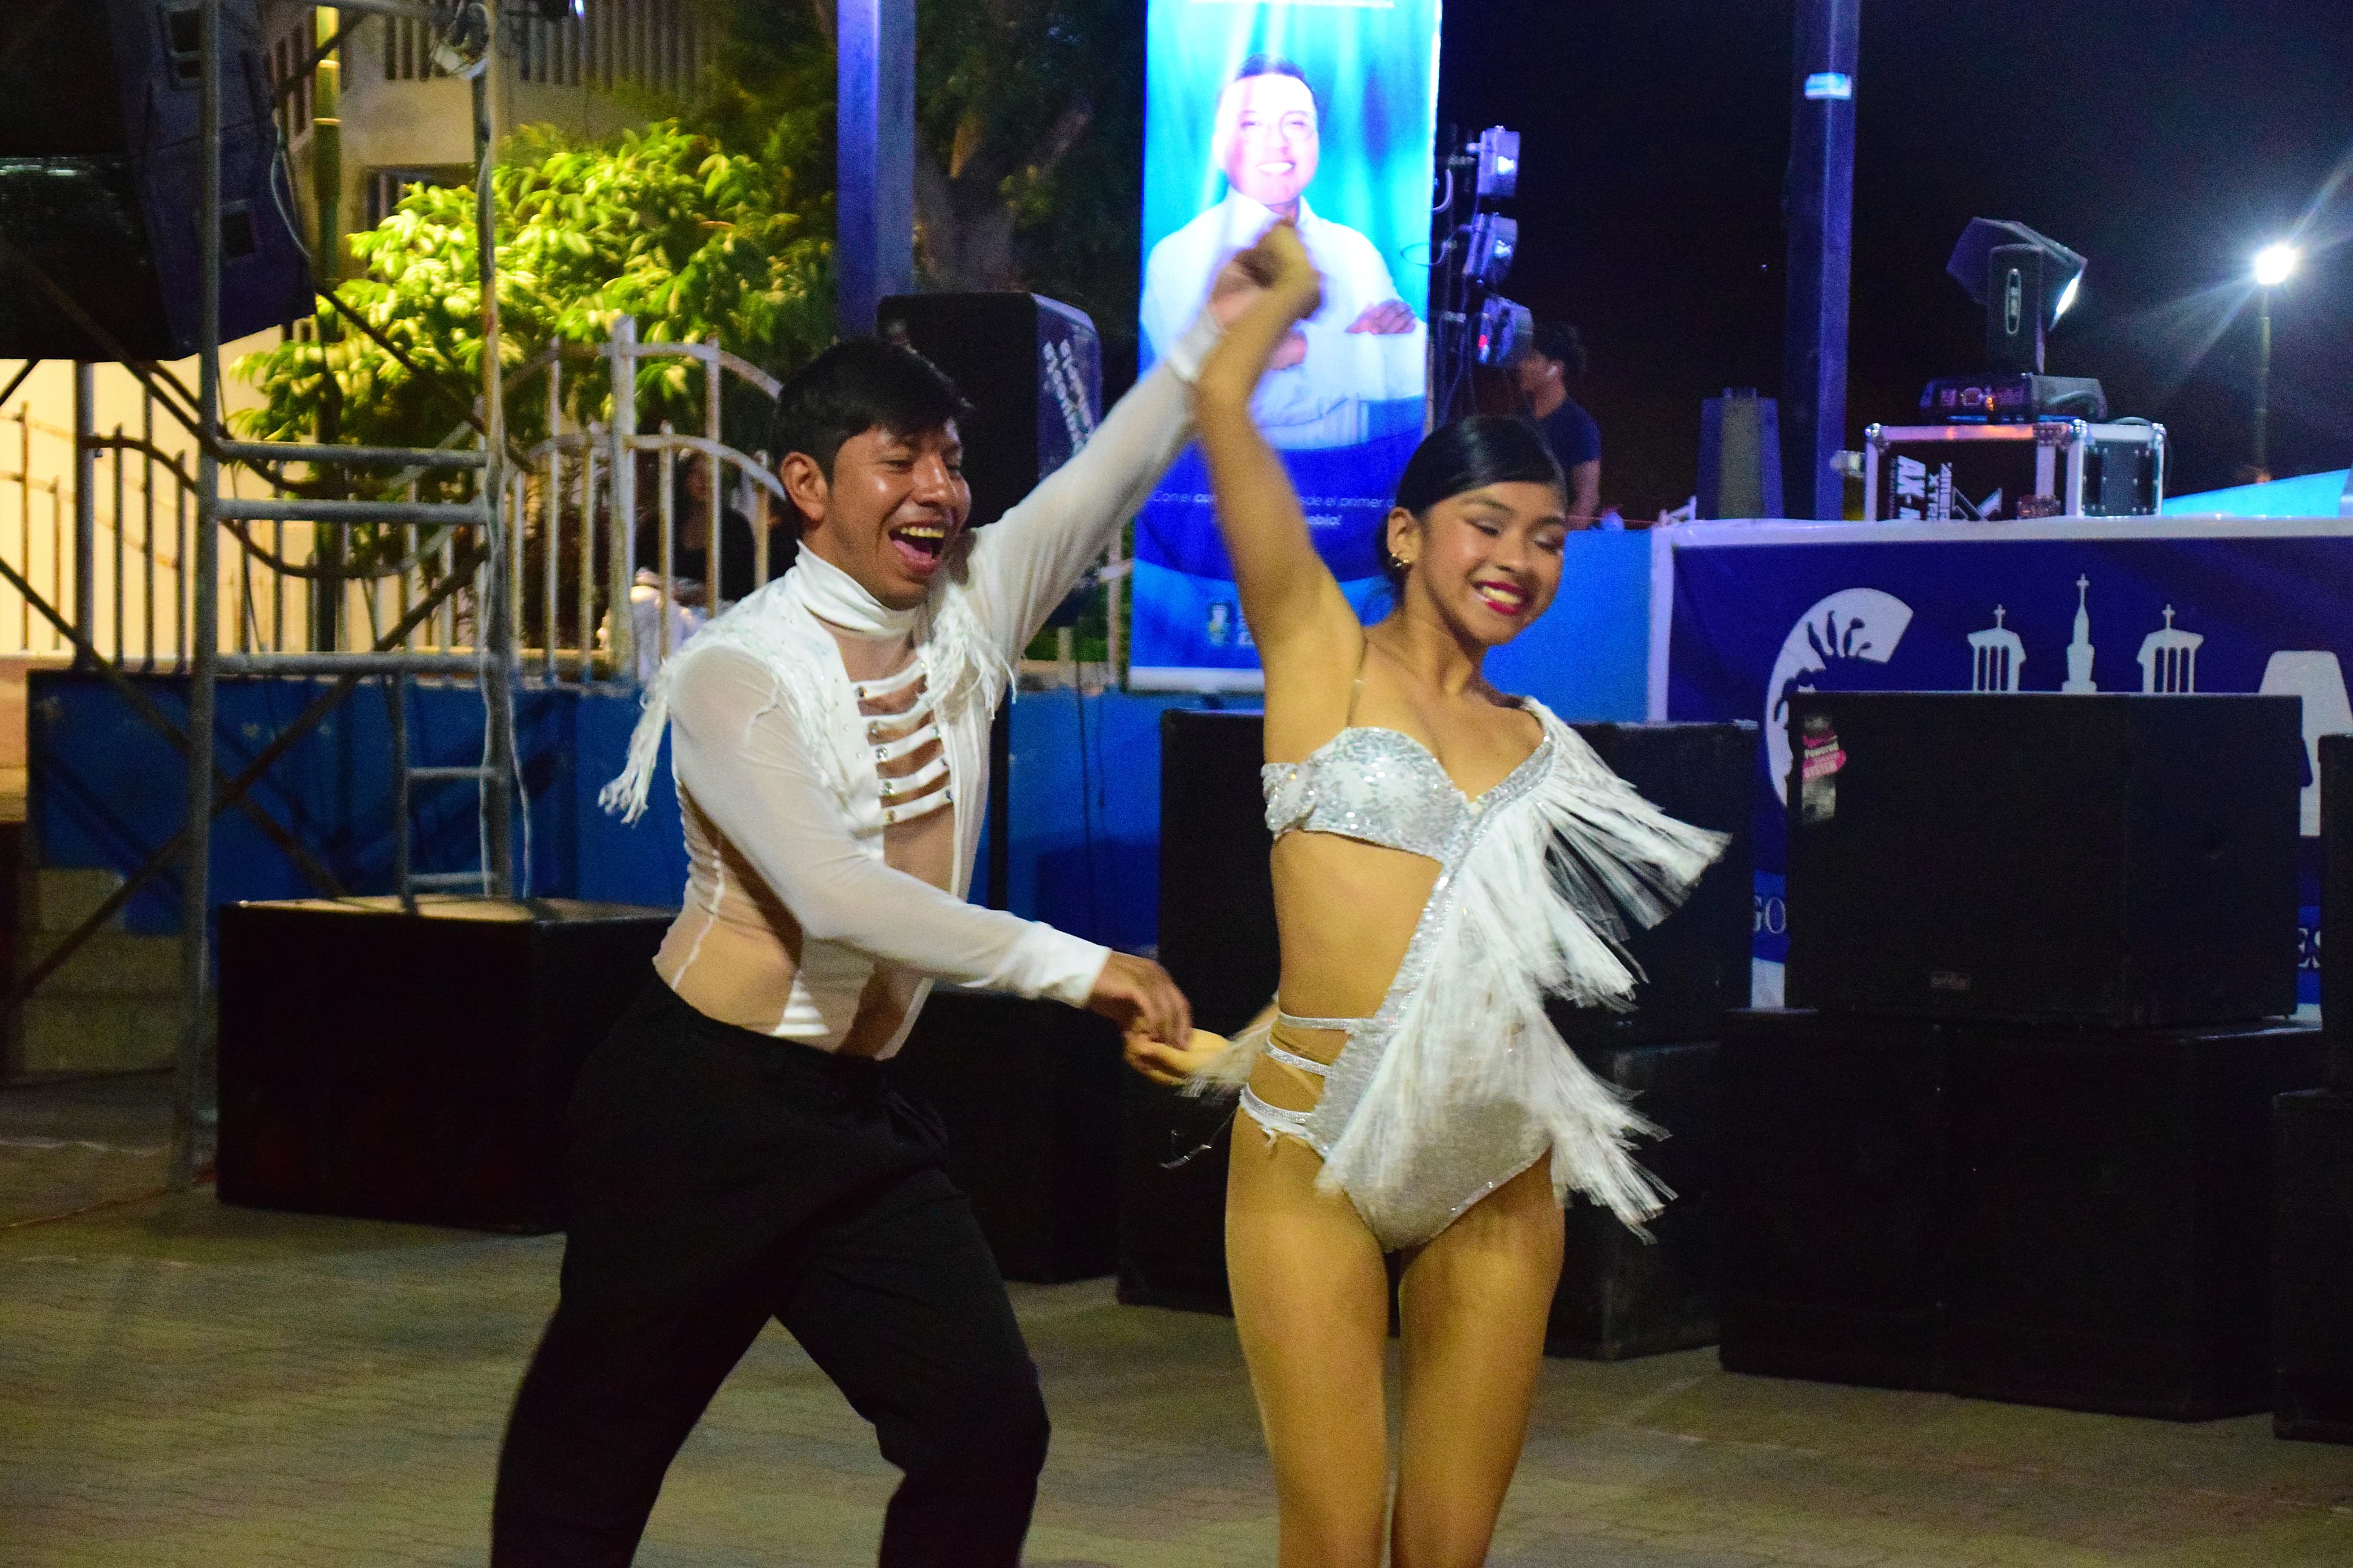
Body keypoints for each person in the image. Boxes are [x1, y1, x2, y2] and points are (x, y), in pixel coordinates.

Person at [488, 250, 1272, 1566]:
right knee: (586, 1475)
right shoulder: (735, 671)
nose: (939, 490)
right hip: (698, 1114)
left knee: (986, 1428)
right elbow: (835, 898)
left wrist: (1212, 335)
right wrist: (1077, 967)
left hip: (856, 1124)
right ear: (808, 485)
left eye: (950, 462)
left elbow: (1105, 478)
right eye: (898, 459)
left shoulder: (971, 610)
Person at [1164, 226, 1725, 1566]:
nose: (1519, 559)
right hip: (1312, 1149)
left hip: (1496, 1162)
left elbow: (1458, 948)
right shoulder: (1319, 656)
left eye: (1548, 539)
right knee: (1333, 1539)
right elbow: (1222, 410)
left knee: (1447, 1554)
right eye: (1488, 525)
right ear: (1408, 534)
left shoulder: (1546, 745)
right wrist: (1285, 299)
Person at [1139, 54, 1423, 448]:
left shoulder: (1355, 250)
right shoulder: (1178, 256)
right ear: (1220, 148)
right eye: (1252, 125)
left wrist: (1301, 349)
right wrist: (1358, 354)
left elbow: (1416, 369)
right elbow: (1227, 397)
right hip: (1223, 481)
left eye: (1296, 124)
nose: (1277, 143)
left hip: (1355, 478)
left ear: (1317, 141)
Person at [625, 456, 795, 679]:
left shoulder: (735, 526)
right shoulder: (657, 524)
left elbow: (747, 583)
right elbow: (637, 572)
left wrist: (709, 593)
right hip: (662, 610)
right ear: (683, 478)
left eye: (713, 474)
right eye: (697, 474)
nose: (705, 480)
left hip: (714, 613)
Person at [1508, 320, 1605, 526]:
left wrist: (1558, 540)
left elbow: (1587, 500)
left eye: (1532, 358)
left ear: (1556, 368)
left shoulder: (1579, 426)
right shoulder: (1520, 419)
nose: (1521, 365)